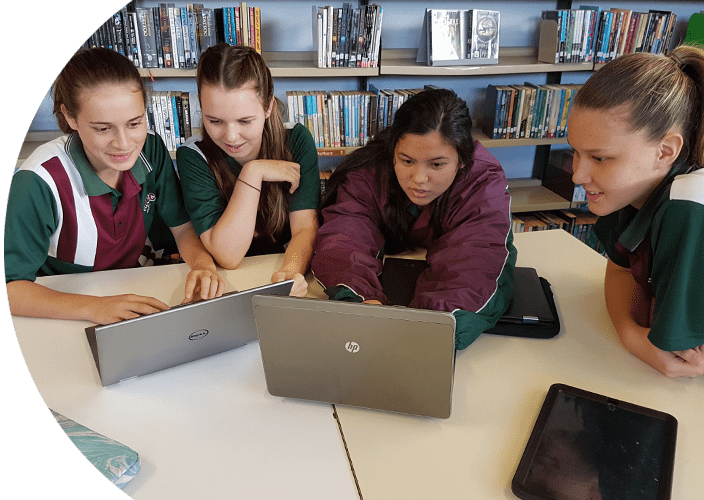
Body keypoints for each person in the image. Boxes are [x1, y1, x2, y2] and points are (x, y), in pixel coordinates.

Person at [5, 47, 225, 324]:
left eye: (134, 123)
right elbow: (12, 289)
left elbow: (182, 229)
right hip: (61, 309)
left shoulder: (152, 148)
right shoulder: (37, 181)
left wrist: (203, 266)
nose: (123, 143)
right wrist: (94, 308)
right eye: (102, 128)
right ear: (71, 118)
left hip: (131, 290)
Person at [312, 88, 517, 350]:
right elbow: (344, 238)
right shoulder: (369, 171)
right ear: (393, 151)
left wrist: (427, 328)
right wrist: (360, 300)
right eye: (407, 161)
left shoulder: (483, 182)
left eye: (437, 165)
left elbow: (477, 264)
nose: (419, 179)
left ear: (463, 160)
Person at [567, 44, 704, 378]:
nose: (578, 175)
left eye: (600, 158)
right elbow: (621, 272)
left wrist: (640, 334)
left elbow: (677, 355)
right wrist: (629, 333)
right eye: (575, 153)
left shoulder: (687, 204)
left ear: (665, 151)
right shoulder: (627, 188)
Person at [176, 44, 319, 297]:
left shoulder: (296, 139)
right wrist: (253, 172)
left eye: (244, 121)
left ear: (267, 107)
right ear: (200, 105)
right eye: (214, 121)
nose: (231, 137)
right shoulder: (193, 156)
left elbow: (305, 228)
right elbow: (228, 256)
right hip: (228, 282)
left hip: (278, 268)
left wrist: (289, 273)